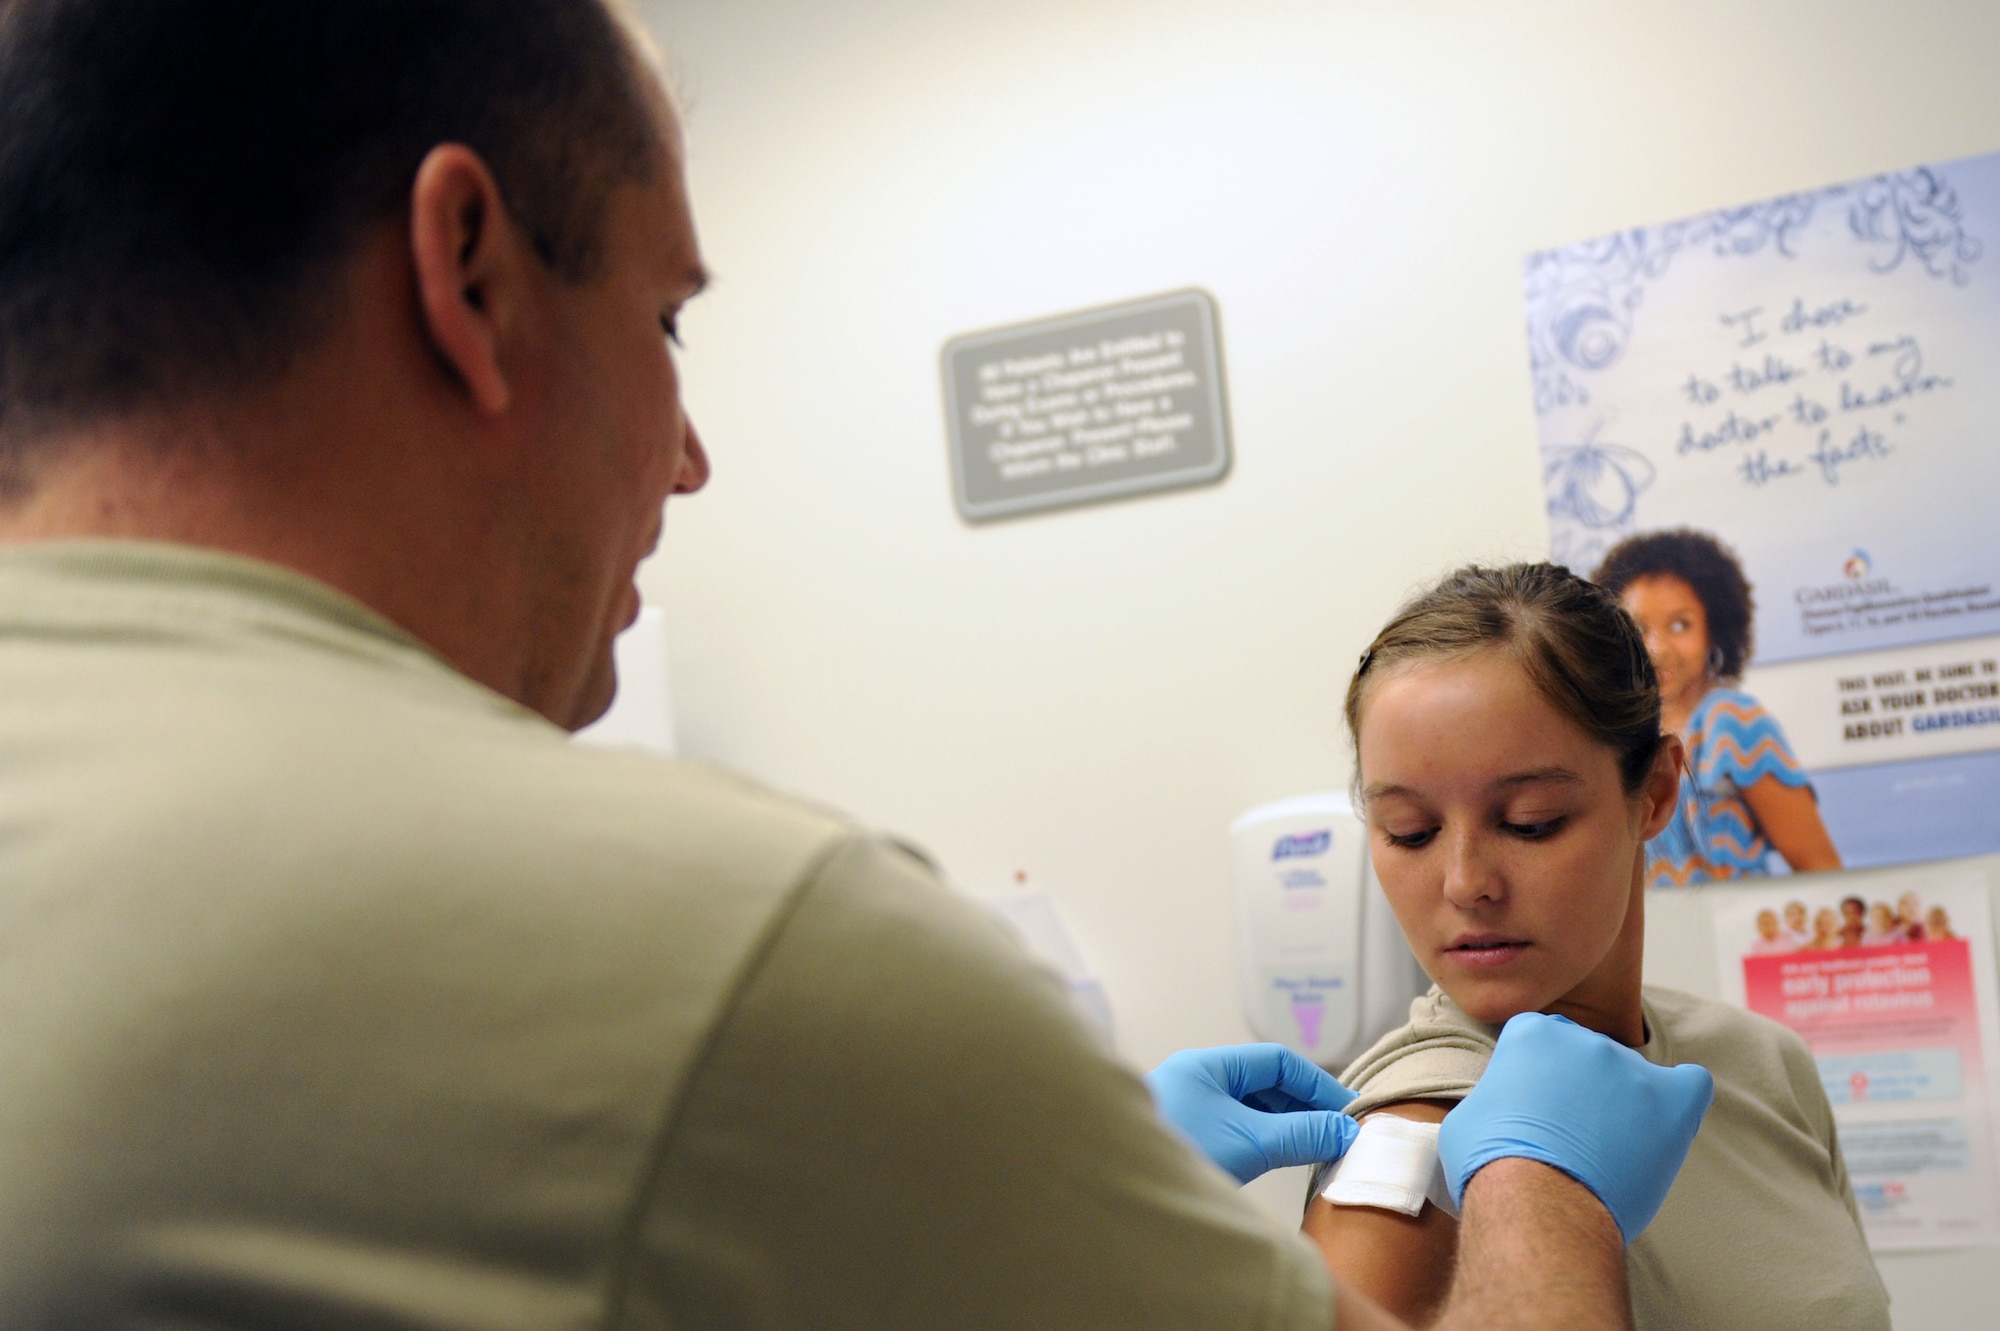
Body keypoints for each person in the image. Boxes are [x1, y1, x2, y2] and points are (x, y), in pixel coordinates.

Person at [0, 3, 1713, 1328]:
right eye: (668, 320)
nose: (689, 461)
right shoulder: (716, 949)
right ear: (468, 272)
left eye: (1532, 816)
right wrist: (1547, 1196)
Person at [1303, 564, 1888, 1330]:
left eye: (1531, 820)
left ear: (1653, 794)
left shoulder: (1762, 1064)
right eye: (1409, 831)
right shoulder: (1404, 1143)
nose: (1465, 882)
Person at [1591, 529, 1841, 884]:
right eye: (1638, 627)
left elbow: (1820, 868)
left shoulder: (1733, 722)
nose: (1658, 648)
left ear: (1715, 629)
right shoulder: (1617, 735)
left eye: (1680, 625)